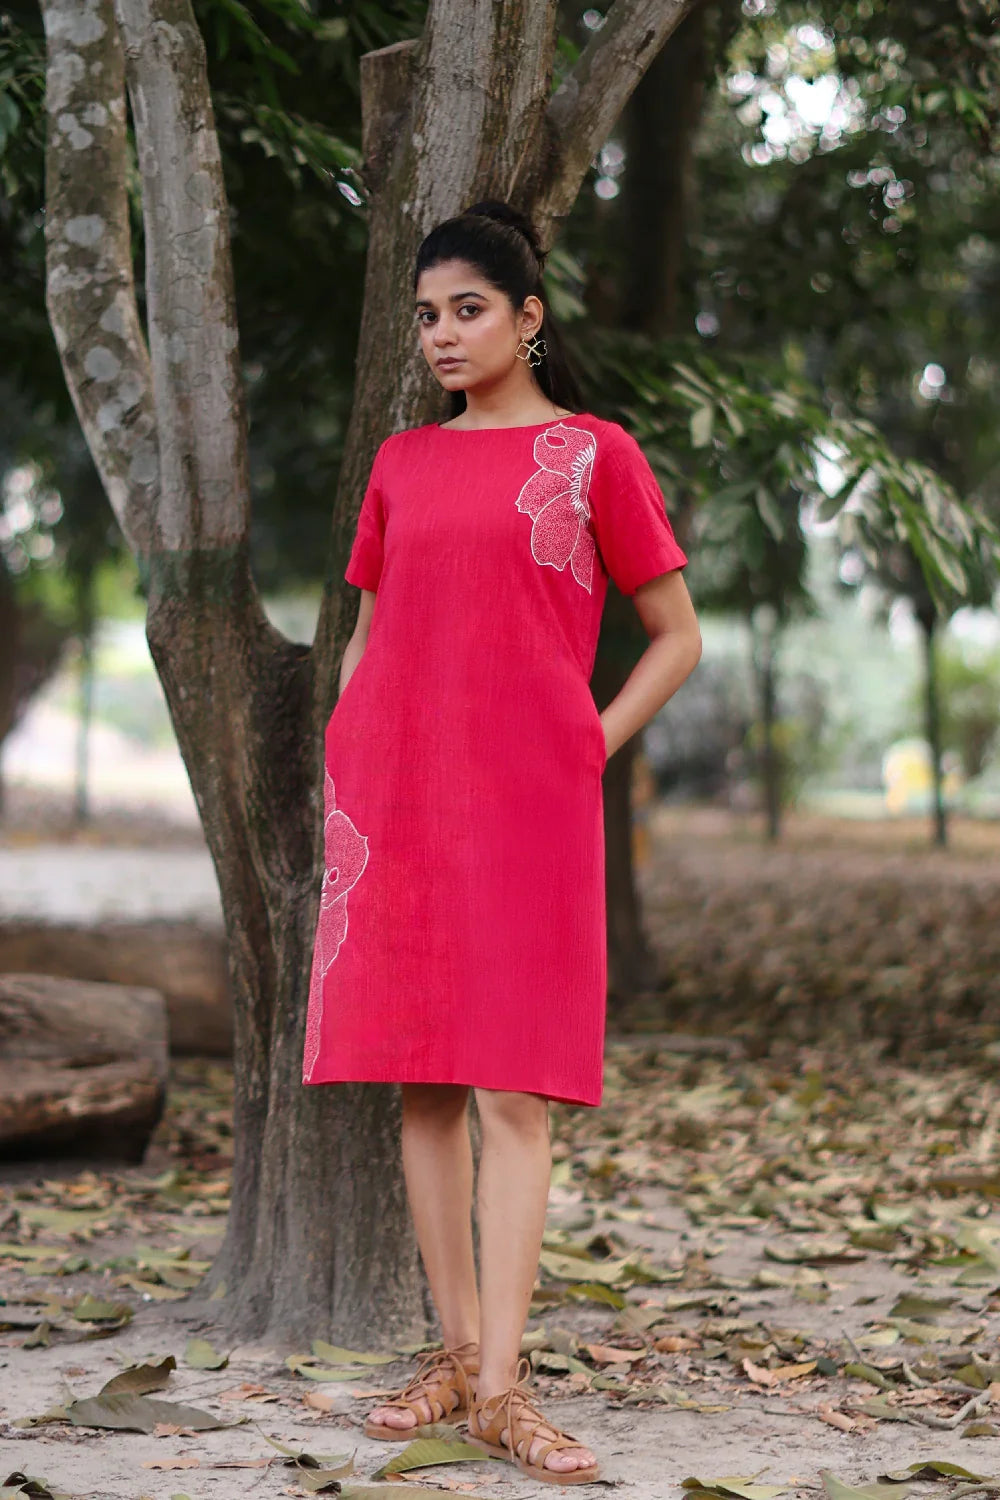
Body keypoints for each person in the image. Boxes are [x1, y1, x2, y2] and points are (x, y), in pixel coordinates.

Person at [302, 199, 702, 1485]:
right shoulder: (401, 463)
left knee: (514, 1089)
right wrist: (347, 754)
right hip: (398, 798)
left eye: (468, 309)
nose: (442, 334)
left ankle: (502, 1388)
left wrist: (590, 740)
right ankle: (456, 1357)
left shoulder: (595, 456)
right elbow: (371, 630)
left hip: (527, 799)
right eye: (426, 315)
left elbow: (676, 633)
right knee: (422, 1078)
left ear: (528, 318)